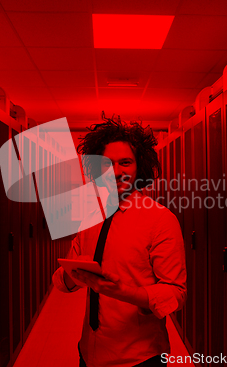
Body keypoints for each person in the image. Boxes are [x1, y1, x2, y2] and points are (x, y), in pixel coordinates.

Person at [52, 115, 187, 367]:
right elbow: (63, 278)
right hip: (89, 351)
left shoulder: (160, 220)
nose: (115, 172)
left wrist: (124, 293)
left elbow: (176, 292)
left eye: (125, 162)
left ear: (140, 167)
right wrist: (74, 275)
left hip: (138, 357)